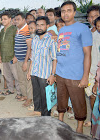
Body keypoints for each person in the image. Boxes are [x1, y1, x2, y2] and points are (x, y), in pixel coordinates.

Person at [56, 1, 92, 133]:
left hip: (75, 74)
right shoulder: (62, 29)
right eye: (63, 11)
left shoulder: (83, 28)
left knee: (78, 102)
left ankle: (80, 126)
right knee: (61, 99)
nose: (65, 13)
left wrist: (85, 77)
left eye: (68, 10)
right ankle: (60, 121)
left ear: (74, 13)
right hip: (60, 73)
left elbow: (88, 54)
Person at [27, 16, 57, 116]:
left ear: (47, 26)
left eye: (42, 25)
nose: (39, 27)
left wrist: (52, 75)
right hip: (35, 73)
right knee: (37, 97)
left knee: (45, 99)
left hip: (45, 75)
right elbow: (33, 57)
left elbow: (54, 59)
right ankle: (39, 115)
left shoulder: (51, 40)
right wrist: (29, 71)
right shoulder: (34, 39)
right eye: (38, 25)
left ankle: (46, 118)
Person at [0, 12, 21, 96]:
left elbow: (17, 43)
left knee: (16, 75)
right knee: (7, 75)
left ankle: (19, 92)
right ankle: (10, 90)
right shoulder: (1, 31)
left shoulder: (14, 29)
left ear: (10, 19)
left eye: (5, 19)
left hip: (12, 57)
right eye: (2, 19)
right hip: (4, 56)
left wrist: (15, 56)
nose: (3, 21)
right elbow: (0, 44)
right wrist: (0, 55)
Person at [14, 12, 33, 107]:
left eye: (18, 19)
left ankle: (30, 98)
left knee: (28, 80)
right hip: (19, 59)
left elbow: (29, 48)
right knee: (21, 79)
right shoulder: (18, 30)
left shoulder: (27, 30)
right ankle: (25, 95)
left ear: (23, 20)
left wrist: (25, 62)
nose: (16, 21)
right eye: (15, 19)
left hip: (26, 61)